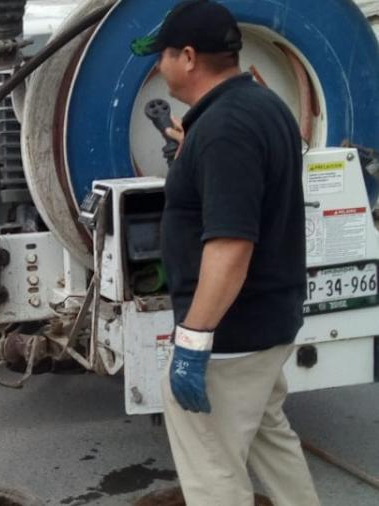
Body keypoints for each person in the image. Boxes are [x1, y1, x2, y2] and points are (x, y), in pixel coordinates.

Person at [131, 1, 320, 505]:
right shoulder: (262, 106)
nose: (158, 67)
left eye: (163, 56)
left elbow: (232, 246)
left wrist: (193, 343)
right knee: (270, 440)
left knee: (212, 471)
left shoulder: (224, 131)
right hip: (266, 321)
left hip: (229, 338)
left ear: (188, 57)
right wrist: (190, 151)